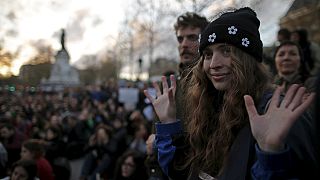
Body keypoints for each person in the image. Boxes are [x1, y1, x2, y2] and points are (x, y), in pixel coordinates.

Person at [144, 7, 319, 180]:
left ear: (247, 58)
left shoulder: (277, 112)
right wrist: (168, 123)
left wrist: (271, 155)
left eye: (226, 51)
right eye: (208, 54)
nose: (214, 64)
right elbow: (182, 171)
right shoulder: (209, 108)